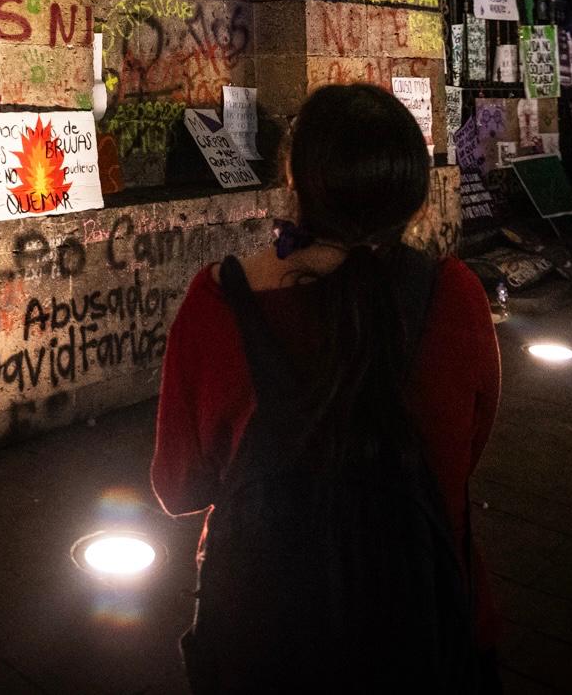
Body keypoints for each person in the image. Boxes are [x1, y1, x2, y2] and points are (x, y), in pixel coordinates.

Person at [153, 84, 502, 691]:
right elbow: (463, 453)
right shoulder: (455, 295)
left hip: (262, 636)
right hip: (424, 624)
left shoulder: (218, 302)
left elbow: (180, 487)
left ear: (294, 181)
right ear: (415, 194)